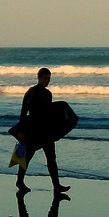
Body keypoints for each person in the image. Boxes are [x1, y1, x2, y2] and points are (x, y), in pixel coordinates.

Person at [12, 67, 67, 195]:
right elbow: (23, 113)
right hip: (33, 131)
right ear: (39, 78)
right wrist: (21, 131)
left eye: (49, 78)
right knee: (27, 157)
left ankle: (57, 185)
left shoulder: (48, 94)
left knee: (51, 158)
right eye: (44, 78)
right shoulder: (31, 92)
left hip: (46, 130)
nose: (47, 81)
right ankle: (20, 181)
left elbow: (50, 114)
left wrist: (57, 131)